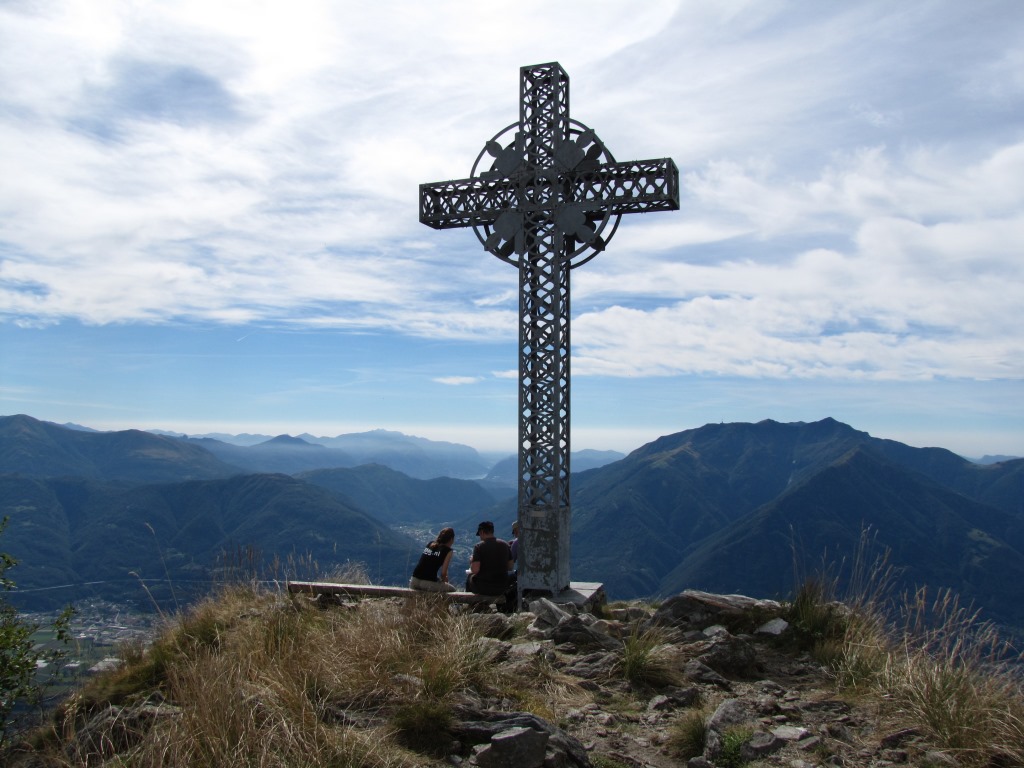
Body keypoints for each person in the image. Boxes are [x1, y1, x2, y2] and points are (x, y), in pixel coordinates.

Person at [466, 520, 513, 596]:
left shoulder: (479, 546)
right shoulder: (505, 545)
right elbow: (510, 567)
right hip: (502, 588)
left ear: (481, 532)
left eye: (480, 535)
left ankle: (472, 604)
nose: (480, 538)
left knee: (469, 577)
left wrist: (472, 561)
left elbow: (475, 570)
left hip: (483, 588)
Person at [409, 527, 457, 592]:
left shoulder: (430, 544)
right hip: (428, 583)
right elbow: (443, 573)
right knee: (453, 590)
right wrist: (445, 583)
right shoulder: (448, 551)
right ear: (451, 539)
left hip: (414, 580)